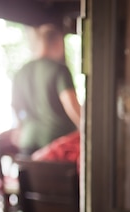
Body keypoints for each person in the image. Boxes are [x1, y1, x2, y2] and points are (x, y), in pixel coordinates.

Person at [12, 24, 81, 156]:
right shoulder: (60, 70)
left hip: (27, 142)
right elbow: (70, 104)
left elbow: (16, 107)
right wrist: (86, 129)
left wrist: (21, 128)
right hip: (56, 145)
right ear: (57, 44)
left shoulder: (21, 72)